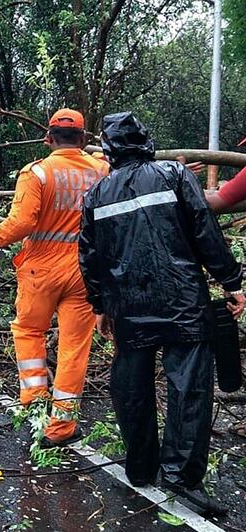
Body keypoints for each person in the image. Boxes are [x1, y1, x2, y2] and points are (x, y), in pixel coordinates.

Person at [79, 112, 244, 515]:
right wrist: (231, 280)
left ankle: (140, 467)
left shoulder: (97, 195)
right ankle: (180, 475)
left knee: (130, 388)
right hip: (182, 302)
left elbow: (89, 257)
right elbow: (205, 230)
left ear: (110, 150)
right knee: (189, 391)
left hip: (129, 308)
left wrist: (101, 307)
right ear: (145, 142)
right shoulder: (173, 174)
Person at [0, 109, 109, 446]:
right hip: (85, 271)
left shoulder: (37, 173)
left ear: (48, 137)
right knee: (74, 348)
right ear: (84, 139)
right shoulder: (102, 171)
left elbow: (21, 224)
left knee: (29, 331)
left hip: (40, 270)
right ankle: (61, 428)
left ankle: (35, 400)